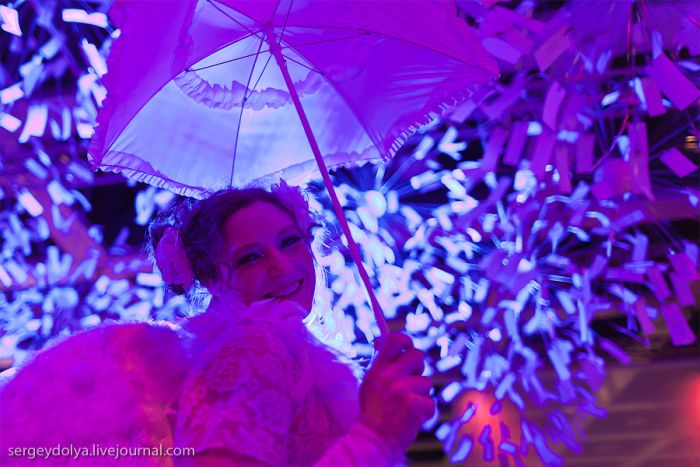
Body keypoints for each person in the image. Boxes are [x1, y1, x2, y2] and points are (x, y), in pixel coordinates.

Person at [149, 183, 435, 466]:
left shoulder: (292, 354)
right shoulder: (247, 353)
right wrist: (375, 435)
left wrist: (380, 408)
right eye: (250, 258)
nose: (283, 267)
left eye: (290, 241)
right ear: (210, 280)